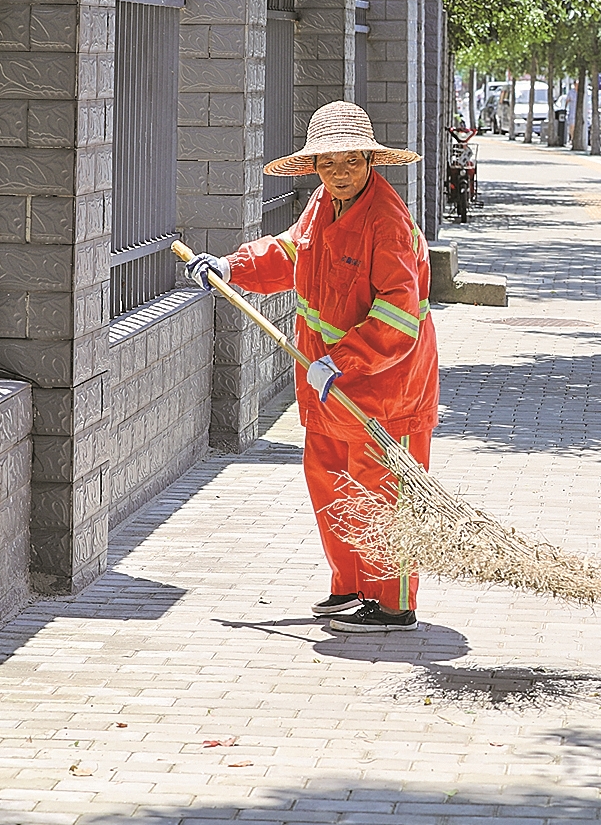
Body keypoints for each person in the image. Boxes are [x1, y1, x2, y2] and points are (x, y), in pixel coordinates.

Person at [185, 101, 438, 633]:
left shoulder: (387, 221)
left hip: (384, 391)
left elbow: (398, 316)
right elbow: (290, 253)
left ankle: (392, 604)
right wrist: (233, 266)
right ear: (315, 169)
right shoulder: (323, 205)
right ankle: (350, 587)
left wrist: (341, 362)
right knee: (330, 482)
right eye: (328, 163)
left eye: (350, 161)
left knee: (383, 494)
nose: (339, 173)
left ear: (371, 161)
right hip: (328, 386)